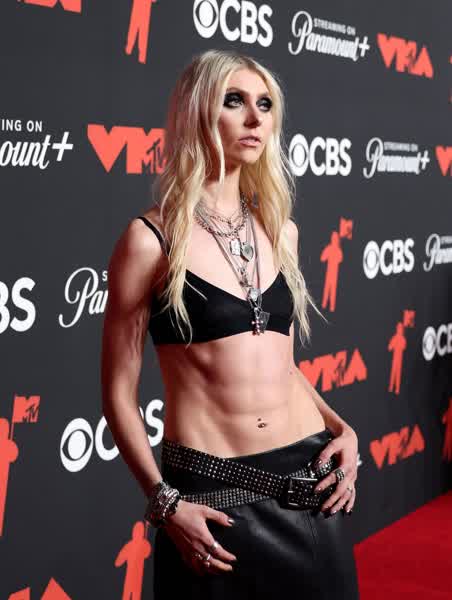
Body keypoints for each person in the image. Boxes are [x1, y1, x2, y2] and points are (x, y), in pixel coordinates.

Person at [101, 49, 360, 599]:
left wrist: (343, 429)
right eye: (235, 101)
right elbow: (119, 394)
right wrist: (164, 502)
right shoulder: (150, 241)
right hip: (213, 499)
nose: (254, 118)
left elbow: (282, 367)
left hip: (311, 485)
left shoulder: (280, 230)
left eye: (265, 105)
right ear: (199, 110)